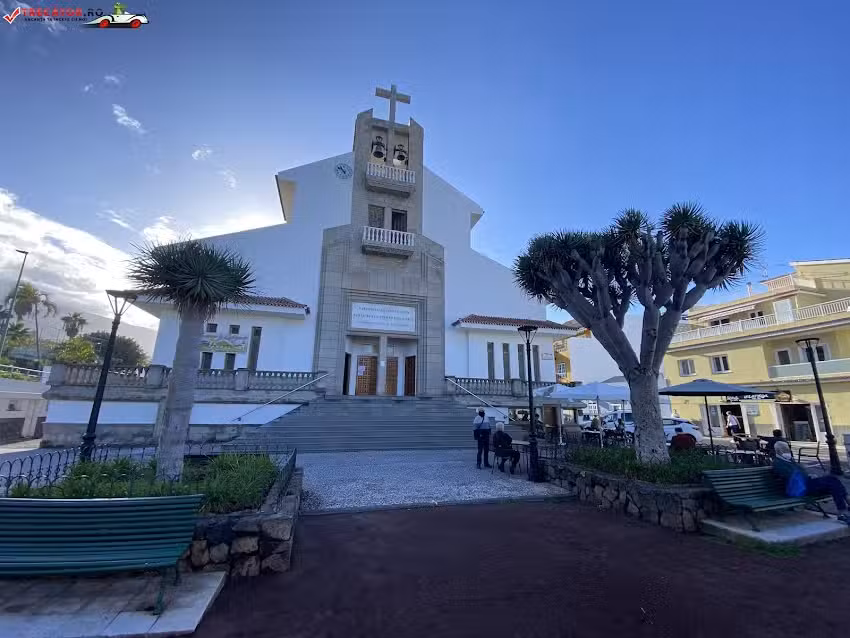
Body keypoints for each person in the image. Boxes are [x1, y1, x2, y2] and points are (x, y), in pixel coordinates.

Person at [773, 441, 850, 524]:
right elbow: (789, 475)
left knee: (833, 482)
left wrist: (809, 475)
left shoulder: (789, 460)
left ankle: (843, 510)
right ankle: (844, 508)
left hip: (806, 483)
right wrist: (801, 472)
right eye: (784, 449)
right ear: (778, 451)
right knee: (832, 481)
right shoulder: (778, 463)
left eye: (787, 449)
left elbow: (800, 472)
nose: (786, 451)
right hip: (800, 488)